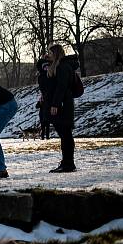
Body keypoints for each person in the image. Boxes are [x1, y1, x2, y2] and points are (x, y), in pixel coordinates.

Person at [43, 44, 79, 172]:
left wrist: (55, 104)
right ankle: (67, 162)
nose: (48, 55)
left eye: (51, 53)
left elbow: (61, 87)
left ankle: (68, 163)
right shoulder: (58, 66)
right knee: (65, 134)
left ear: (56, 54)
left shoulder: (63, 67)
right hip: (62, 104)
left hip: (63, 105)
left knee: (65, 134)